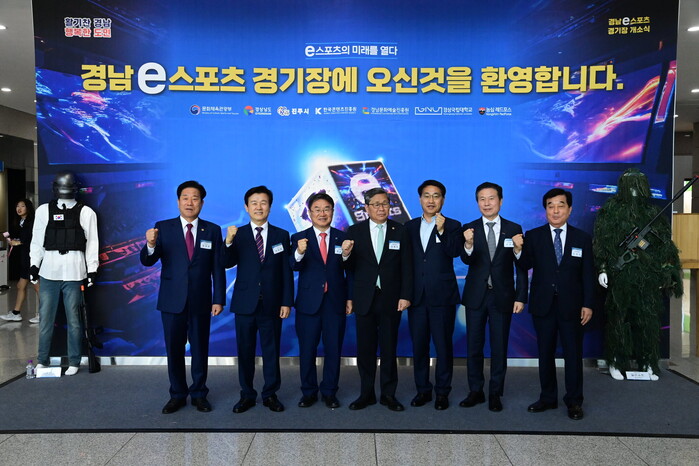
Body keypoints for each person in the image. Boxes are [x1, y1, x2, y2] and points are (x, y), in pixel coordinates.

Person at [140, 180, 225, 414]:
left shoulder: (212, 230)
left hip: (201, 301)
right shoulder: (163, 228)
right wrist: (150, 244)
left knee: (200, 349)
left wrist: (218, 298)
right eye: (185, 198)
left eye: (195, 198)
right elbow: (147, 260)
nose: (190, 202)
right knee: (174, 350)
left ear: (202, 203)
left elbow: (217, 268)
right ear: (178, 201)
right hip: (172, 300)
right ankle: (177, 394)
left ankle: (199, 394)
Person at [593, 169, 682, 381]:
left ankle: (648, 362)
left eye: (637, 184)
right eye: (629, 185)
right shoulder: (610, 212)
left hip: (647, 276)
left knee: (647, 320)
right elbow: (602, 243)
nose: (633, 190)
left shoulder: (653, 213)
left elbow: (665, 247)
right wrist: (603, 269)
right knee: (619, 319)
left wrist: (666, 272)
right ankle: (616, 361)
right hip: (621, 275)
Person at [514, 188, 594, 420]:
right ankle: (548, 397)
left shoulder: (582, 238)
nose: (556, 210)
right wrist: (518, 250)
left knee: (573, 355)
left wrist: (588, 304)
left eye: (561, 205)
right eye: (551, 206)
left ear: (569, 209)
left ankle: (574, 401)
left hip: (573, 306)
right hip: (544, 305)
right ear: (545, 210)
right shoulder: (534, 236)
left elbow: (588, 274)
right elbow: (524, 265)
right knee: (545, 353)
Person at [342, 187, 413, 412]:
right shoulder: (355, 231)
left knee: (389, 348)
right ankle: (366, 393)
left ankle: (389, 394)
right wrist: (345, 254)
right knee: (365, 349)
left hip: (391, 299)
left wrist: (406, 295)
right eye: (376, 204)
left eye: (385, 204)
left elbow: (407, 267)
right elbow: (349, 268)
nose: (381, 208)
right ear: (366, 207)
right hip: (364, 298)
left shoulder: (400, 230)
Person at [460, 182, 528, 412]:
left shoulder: (513, 228)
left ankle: (495, 393)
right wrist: (468, 244)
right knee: (474, 346)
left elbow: (521, 266)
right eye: (482, 199)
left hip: (503, 296)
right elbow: (466, 259)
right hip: (476, 296)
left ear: (500, 201)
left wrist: (520, 296)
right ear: (477, 202)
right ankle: (475, 391)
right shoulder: (469, 228)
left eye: (491, 198)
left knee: (499, 347)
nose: (487, 203)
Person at [225, 185, 293, 413]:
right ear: (246, 207)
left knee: (271, 351)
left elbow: (286, 271)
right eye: (254, 203)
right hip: (245, 303)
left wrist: (286, 301)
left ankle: (270, 394)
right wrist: (228, 242)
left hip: (272, 304)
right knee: (245, 352)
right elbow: (226, 262)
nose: (259, 207)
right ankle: (247, 395)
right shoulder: (238, 234)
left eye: (263, 202)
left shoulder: (281, 235)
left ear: (270, 207)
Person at [30, 172, 99, 376]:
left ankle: (74, 360)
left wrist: (92, 269)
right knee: (45, 319)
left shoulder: (86, 212)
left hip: (74, 271)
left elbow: (92, 243)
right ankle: (42, 360)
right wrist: (34, 265)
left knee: (74, 320)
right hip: (49, 271)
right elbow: (37, 241)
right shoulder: (43, 211)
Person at [404, 180, 463, 410]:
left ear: (443, 200)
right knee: (419, 346)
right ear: (420, 199)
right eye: (426, 196)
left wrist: (441, 230)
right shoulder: (408, 227)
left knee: (443, 346)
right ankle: (423, 390)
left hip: (442, 297)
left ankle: (442, 392)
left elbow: (455, 252)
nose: (431, 200)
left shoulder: (453, 225)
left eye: (436, 196)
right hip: (417, 297)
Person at [291, 192, 351, 409]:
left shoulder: (343, 237)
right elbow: (293, 265)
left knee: (333, 349)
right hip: (308, 303)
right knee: (307, 349)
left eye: (326, 209)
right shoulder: (299, 238)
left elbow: (351, 270)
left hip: (335, 301)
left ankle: (329, 392)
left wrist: (346, 255)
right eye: (317, 209)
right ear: (309, 213)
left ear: (333, 212)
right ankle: (308, 392)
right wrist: (299, 252)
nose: (322, 213)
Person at [1, 199, 40, 323]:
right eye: (17, 206)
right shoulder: (20, 222)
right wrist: (14, 241)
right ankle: (16, 313)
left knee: (37, 286)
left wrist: (19, 242)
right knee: (20, 285)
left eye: (22, 206)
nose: (19, 208)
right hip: (25, 257)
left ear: (28, 207)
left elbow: (33, 239)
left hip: (32, 258)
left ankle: (43, 314)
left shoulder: (32, 222)